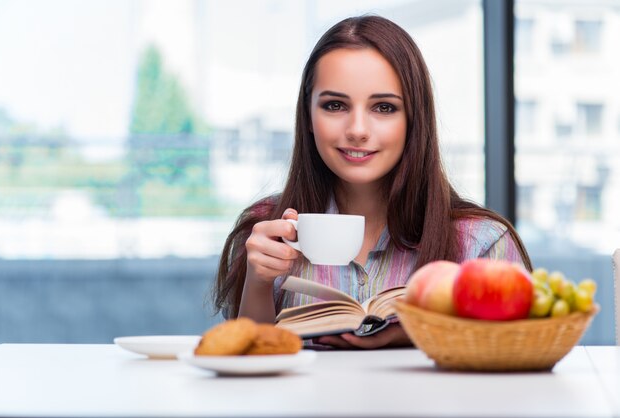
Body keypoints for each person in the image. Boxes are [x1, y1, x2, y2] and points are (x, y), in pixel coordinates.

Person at [213, 15, 532, 349]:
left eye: (383, 107)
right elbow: (248, 365)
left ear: (414, 119)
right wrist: (259, 283)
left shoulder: (482, 243)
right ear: (307, 115)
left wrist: (420, 333)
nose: (358, 130)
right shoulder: (265, 232)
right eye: (335, 105)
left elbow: (517, 358)